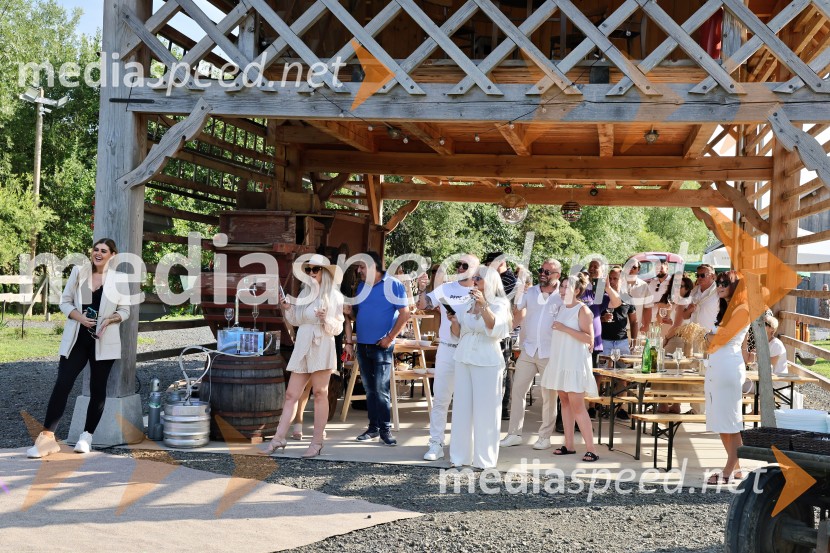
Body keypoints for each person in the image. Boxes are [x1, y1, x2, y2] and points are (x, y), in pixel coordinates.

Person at [27, 239, 131, 459]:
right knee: (63, 383)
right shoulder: (78, 272)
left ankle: (86, 437)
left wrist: (114, 318)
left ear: (113, 254)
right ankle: (47, 439)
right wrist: (80, 318)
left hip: (103, 339)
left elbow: (125, 310)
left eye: (104, 250)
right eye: (96, 249)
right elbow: (65, 302)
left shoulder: (119, 279)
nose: (98, 253)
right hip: (77, 338)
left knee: (98, 388)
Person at [263, 254, 344, 458]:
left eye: (314, 270)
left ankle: (316, 442)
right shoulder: (304, 293)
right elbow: (297, 321)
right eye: (308, 270)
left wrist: (326, 319)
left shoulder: (334, 296)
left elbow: (338, 327)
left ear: (324, 272)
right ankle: (279, 437)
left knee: (319, 394)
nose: (310, 273)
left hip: (322, 344)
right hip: (303, 344)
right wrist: (288, 308)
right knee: (291, 394)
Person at [448, 265, 512, 470]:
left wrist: (483, 305)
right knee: (461, 408)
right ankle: (459, 457)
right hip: (464, 355)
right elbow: (459, 332)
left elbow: (496, 328)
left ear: (490, 282)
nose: (474, 281)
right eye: (474, 278)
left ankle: (484, 460)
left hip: (486, 358)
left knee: (486, 410)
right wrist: (454, 320)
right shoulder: (468, 301)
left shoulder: (500, 303)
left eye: (479, 278)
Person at [417, 254, 480, 461]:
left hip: (470, 349)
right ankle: (435, 443)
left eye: (465, 265)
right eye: (458, 264)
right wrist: (422, 287)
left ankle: (462, 445)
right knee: (441, 399)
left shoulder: (479, 292)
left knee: (467, 401)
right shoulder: (446, 288)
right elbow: (422, 305)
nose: (460, 268)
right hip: (446, 347)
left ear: (475, 270)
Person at [348, 251, 410, 446]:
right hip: (363, 344)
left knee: (381, 389)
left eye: (362, 267)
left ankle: (385, 429)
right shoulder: (360, 287)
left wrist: (390, 338)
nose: (358, 270)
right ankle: (373, 428)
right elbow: (357, 315)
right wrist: (349, 312)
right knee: (369, 389)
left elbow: (405, 314)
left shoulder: (393, 284)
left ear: (374, 266)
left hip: (381, 346)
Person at [500, 258, 562, 450]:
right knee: (517, 391)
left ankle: (544, 437)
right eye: (541, 270)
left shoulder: (563, 296)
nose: (542, 273)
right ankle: (514, 433)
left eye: (547, 271)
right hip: (528, 349)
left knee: (548, 397)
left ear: (557, 275)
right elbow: (517, 310)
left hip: (550, 352)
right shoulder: (532, 291)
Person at [542, 274, 599, 462]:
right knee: (564, 402)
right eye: (562, 286)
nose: (563, 290)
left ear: (576, 290)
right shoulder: (560, 308)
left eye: (567, 287)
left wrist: (564, 328)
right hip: (560, 361)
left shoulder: (583, 310)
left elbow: (588, 339)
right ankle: (569, 444)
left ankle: (591, 449)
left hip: (574, 362)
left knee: (577, 406)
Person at [704, 270, 751, 484]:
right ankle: (737, 468)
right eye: (718, 283)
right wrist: (709, 337)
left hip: (728, 368)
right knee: (722, 422)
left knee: (731, 422)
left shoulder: (742, 309)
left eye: (724, 283)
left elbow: (720, 338)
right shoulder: (726, 309)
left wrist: (705, 335)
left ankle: (727, 471)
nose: (720, 286)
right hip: (716, 367)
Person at [483, 252, 518, 419]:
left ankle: (502, 407)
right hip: (492, 327)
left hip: (503, 329)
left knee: (502, 369)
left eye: (491, 262)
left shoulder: (509, 280)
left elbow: (514, 307)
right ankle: (496, 405)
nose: (489, 266)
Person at [600, 266, 637, 356]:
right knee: (603, 369)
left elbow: (634, 322)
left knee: (622, 369)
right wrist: (602, 319)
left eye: (615, 279)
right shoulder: (602, 297)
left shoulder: (627, 298)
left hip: (622, 342)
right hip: (604, 341)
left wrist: (633, 342)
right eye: (610, 278)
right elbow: (593, 318)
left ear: (622, 280)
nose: (611, 281)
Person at [685, 264, 719, 333]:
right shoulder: (694, 291)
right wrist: (689, 311)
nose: (699, 278)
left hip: (711, 336)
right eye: (697, 275)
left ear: (712, 276)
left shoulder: (719, 292)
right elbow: (685, 316)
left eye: (702, 275)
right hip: (693, 335)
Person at [641, 260, 672, 333]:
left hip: (664, 321)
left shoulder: (672, 282)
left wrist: (659, 304)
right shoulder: (653, 282)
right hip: (650, 320)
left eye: (661, 268)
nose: (659, 270)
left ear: (667, 268)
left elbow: (671, 303)